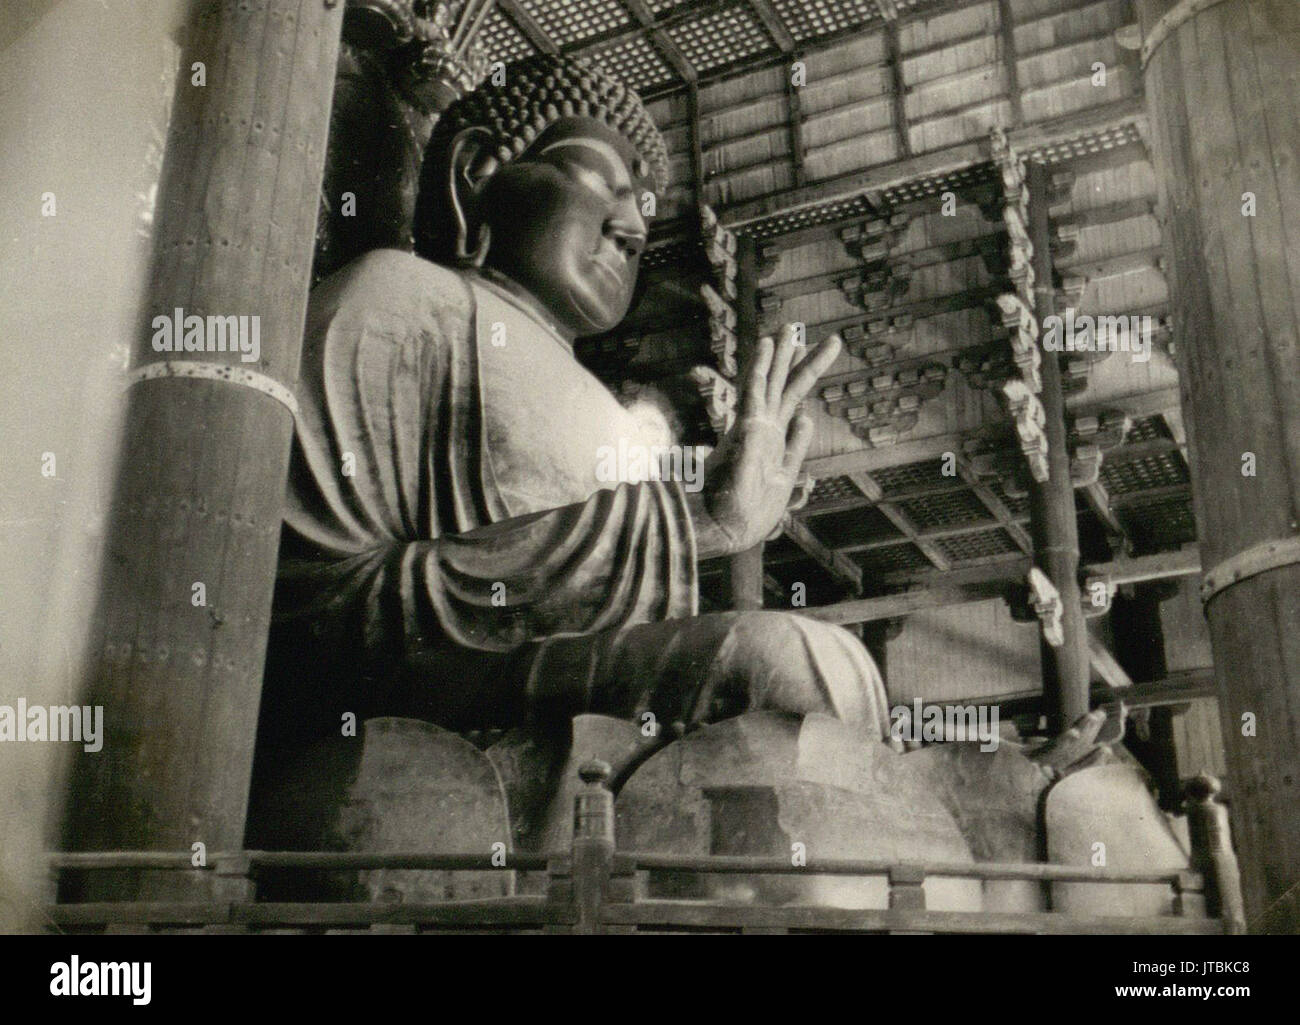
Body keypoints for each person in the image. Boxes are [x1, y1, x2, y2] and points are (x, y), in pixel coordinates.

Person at [255, 54, 891, 759]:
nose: (633, 228)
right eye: (602, 184)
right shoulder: (397, 297)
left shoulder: (602, 400)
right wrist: (686, 519)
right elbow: (307, 609)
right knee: (786, 664)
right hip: (423, 703)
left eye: (641, 207)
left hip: (571, 692)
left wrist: (700, 523)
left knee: (834, 669)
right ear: (478, 173)